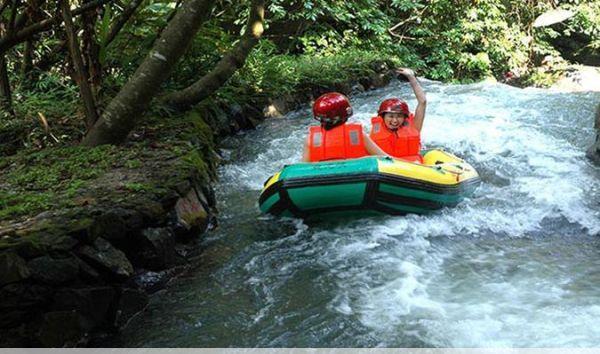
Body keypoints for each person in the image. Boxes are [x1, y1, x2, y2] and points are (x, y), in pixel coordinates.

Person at [302, 92, 388, 162]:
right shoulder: (357, 135)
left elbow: (303, 169)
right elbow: (385, 158)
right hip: (358, 179)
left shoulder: (310, 139)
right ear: (345, 116)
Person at [370, 68, 427, 163]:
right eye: (391, 116)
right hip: (386, 168)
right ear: (382, 116)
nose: (395, 120)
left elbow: (423, 102)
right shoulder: (376, 130)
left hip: (413, 167)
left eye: (399, 116)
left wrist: (411, 77)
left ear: (405, 118)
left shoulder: (414, 126)